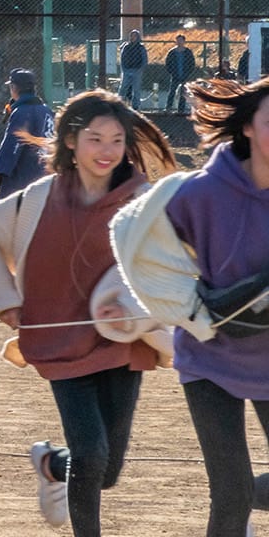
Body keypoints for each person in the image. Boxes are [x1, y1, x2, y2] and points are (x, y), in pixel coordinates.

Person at [0, 90, 175, 537]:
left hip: (125, 341)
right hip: (58, 343)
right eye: (95, 138)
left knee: (107, 469)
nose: (107, 150)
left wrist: (138, 306)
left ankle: (50, 463)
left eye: (117, 140)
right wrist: (6, 303)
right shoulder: (39, 198)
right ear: (71, 141)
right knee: (92, 454)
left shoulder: (143, 199)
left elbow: (171, 262)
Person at [113, 76, 269, 537]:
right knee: (230, 494)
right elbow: (131, 232)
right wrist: (184, 306)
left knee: (241, 490)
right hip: (209, 358)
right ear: (247, 129)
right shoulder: (199, 193)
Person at [0, 69, 52, 200]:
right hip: (45, 174)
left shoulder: (22, 112)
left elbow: (11, 144)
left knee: (6, 215)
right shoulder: (47, 110)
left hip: (22, 176)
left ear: (14, 87)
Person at [165, 34, 197, 114]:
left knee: (183, 93)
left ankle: (180, 110)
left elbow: (192, 64)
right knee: (172, 91)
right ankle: (168, 108)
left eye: (180, 40)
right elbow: (167, 63)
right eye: (177, 40)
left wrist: (188, 73)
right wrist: (171, 72)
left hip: (184, 75)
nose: (179, 42)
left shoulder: (188, 52)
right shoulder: (172, 52)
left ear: (184, 41)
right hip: (175, 75)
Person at [117, 31, 147, 107]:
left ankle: (136, 106)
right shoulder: (126, 46)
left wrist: (140, 70)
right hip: (127, 70)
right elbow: (122, 59)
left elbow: (144, 60)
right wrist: (124, 69)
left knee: (136, 89)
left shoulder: (141, 47)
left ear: (138, 37)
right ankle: (119, 104)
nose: (132, 38)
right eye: (131, 36)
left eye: (134, 36)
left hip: (137, 71)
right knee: (123, 87)